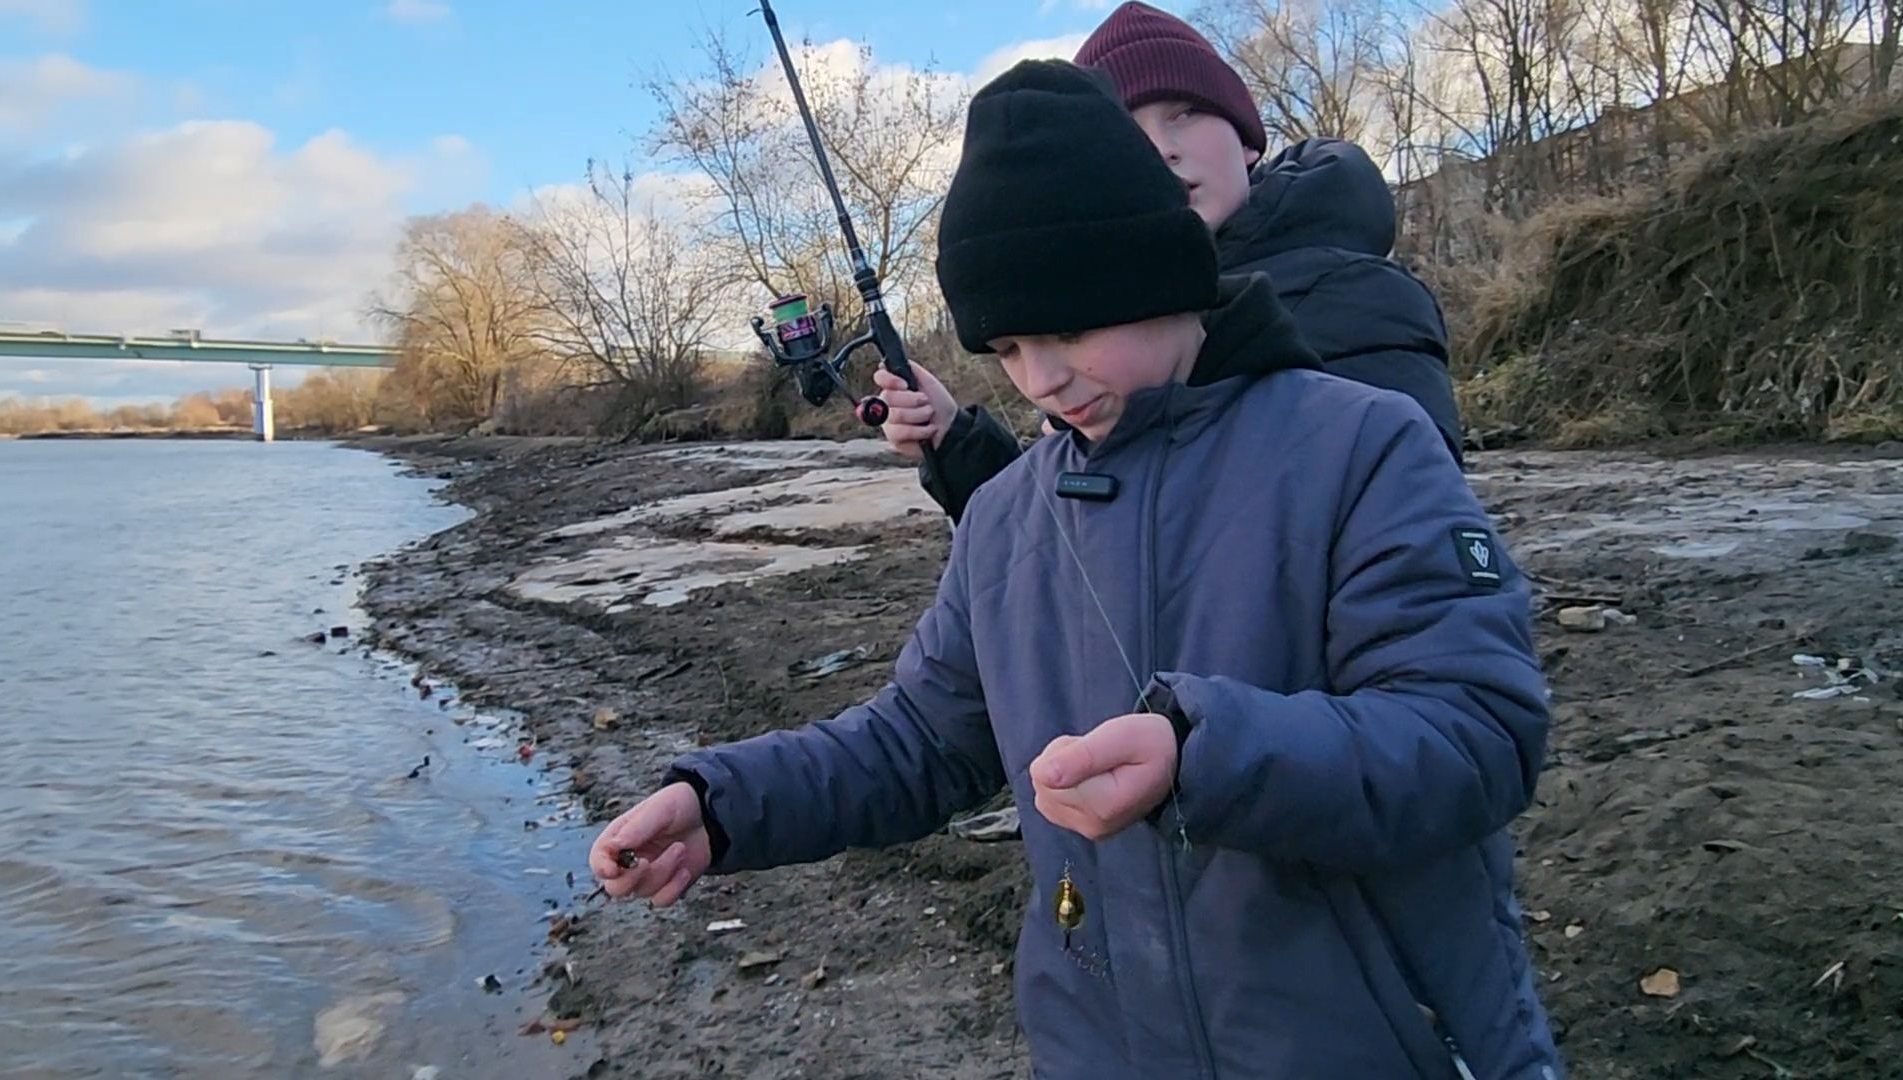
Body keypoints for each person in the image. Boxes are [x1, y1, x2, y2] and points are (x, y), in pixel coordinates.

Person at [590, 59, 1561, 1079]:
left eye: (1067, 329)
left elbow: (1478, 735)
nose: (1041, 380)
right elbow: (920, 740)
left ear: (1163, 276)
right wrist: (725, 804)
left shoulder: (1362, 447)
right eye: (1007, 347)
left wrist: (1203, 753)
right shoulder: (1007, 515)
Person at [877, 0, 1464, 522]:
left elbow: (1409, 529)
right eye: (1125, 130)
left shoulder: (1362, 295)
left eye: (1183, 112)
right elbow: (1078, 537)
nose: (1159, 147)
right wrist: (956, 440)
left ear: (1247, 139)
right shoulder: (1098, 318)